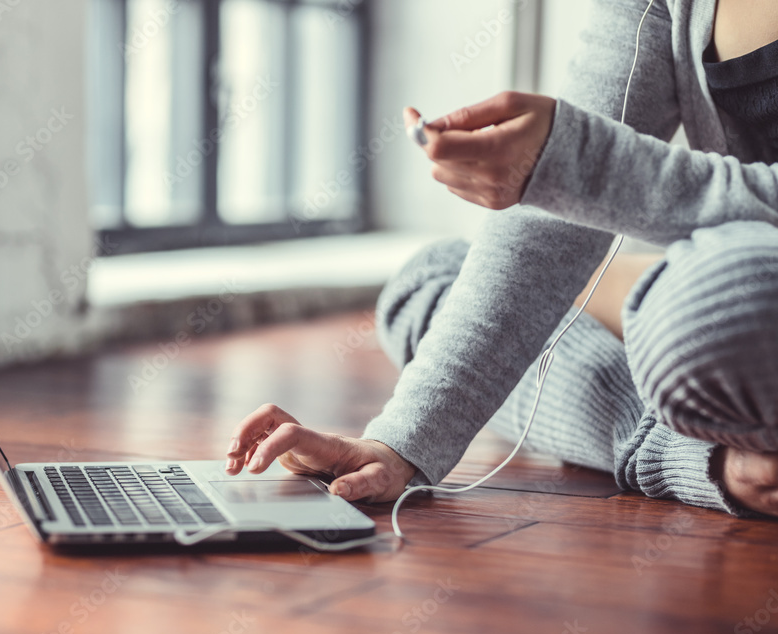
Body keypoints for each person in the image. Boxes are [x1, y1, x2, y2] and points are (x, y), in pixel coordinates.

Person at [226, 0, 778, 518]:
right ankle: (705, 456)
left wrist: (581, 167)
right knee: (427, 285)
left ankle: (645, 322)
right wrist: (398, 444)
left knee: (707, 308)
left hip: (731, 302)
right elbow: (551, 221)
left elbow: (584, 168)